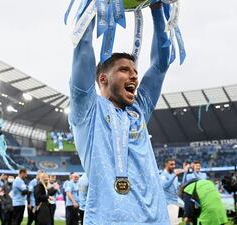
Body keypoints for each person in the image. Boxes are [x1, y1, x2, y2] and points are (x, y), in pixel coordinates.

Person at [68, 1, 170, 224]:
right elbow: (83, 48)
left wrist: (157, 10)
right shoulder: (87, 108)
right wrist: (94, 5)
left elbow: (160, 64)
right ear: (103, 79)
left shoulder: (138, 109)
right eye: (124, 70)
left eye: (135, 71)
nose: (134, 76)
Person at [160, 159, 184, 225]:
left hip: (176, 200)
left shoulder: (174, 175)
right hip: (168, 202)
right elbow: (164, 186)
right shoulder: (163, 175)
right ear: (166, 165)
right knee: (173, 222)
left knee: (187, 209)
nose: (173, 166)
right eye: (171, 164)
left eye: (174, 164)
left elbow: (179, 186)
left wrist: (184, 172)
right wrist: (174, 175)